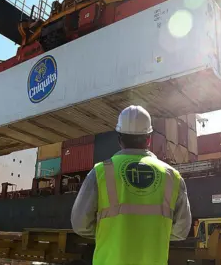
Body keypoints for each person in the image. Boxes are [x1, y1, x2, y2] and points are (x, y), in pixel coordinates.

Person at [71, 105, 192, 265]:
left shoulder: (101, 172)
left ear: (119, 138)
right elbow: (181, 231)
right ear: (148, 139)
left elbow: (80, 225)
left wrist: (113, 232)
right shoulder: (172, 176)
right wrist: (151, 234)